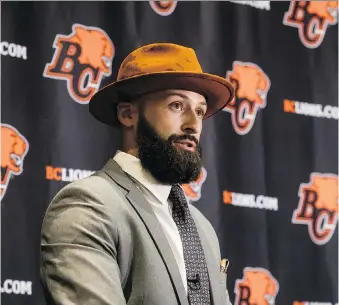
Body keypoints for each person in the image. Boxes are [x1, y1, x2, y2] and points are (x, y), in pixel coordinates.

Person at [40, 42, 235, 305]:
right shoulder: (87, 205)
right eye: (176, 105)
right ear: (127, 114)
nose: (193, 125)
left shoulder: (202, 228)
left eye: (199, 111)